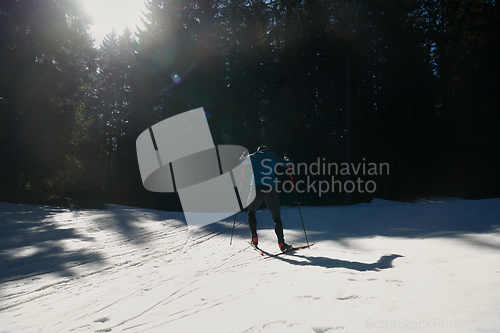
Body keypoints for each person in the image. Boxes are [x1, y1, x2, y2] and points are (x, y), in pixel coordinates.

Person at [240, 146, 293, 251]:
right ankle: (282, 244)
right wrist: (287, 158)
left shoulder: (253, 156)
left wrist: (243, 155)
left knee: (251, 212)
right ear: (267, 150)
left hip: (256, 190)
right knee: (277, 218)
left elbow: (241, 161)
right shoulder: (272, 156)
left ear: (258, 150)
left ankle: (254, 239)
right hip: (270, 190)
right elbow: (287, 164)